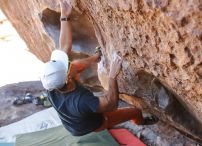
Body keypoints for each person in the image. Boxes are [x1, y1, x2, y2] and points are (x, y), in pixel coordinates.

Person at [41, 0, 158, 136]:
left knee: (75, 66)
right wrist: (112, 76)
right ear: (68, 78)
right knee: (135, 111)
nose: (67, 62)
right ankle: (140, 121)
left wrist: (64, 14)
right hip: (89, 125)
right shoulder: (81, 100)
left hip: (74, 115)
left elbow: (64, 46)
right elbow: (111, 104)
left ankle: (96, 57)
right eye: (66, 65)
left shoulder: (52, 80)